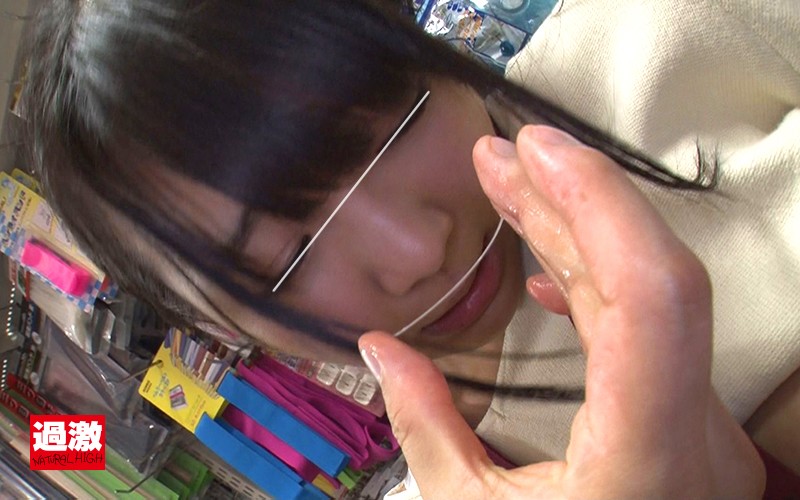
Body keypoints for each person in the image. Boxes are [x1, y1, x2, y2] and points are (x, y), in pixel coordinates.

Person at [21, 0, 797, 496]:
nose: (419, 249)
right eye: (286, 262)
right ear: (222, 330)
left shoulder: (684, 32)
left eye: (397, 124)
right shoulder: (472, 480)